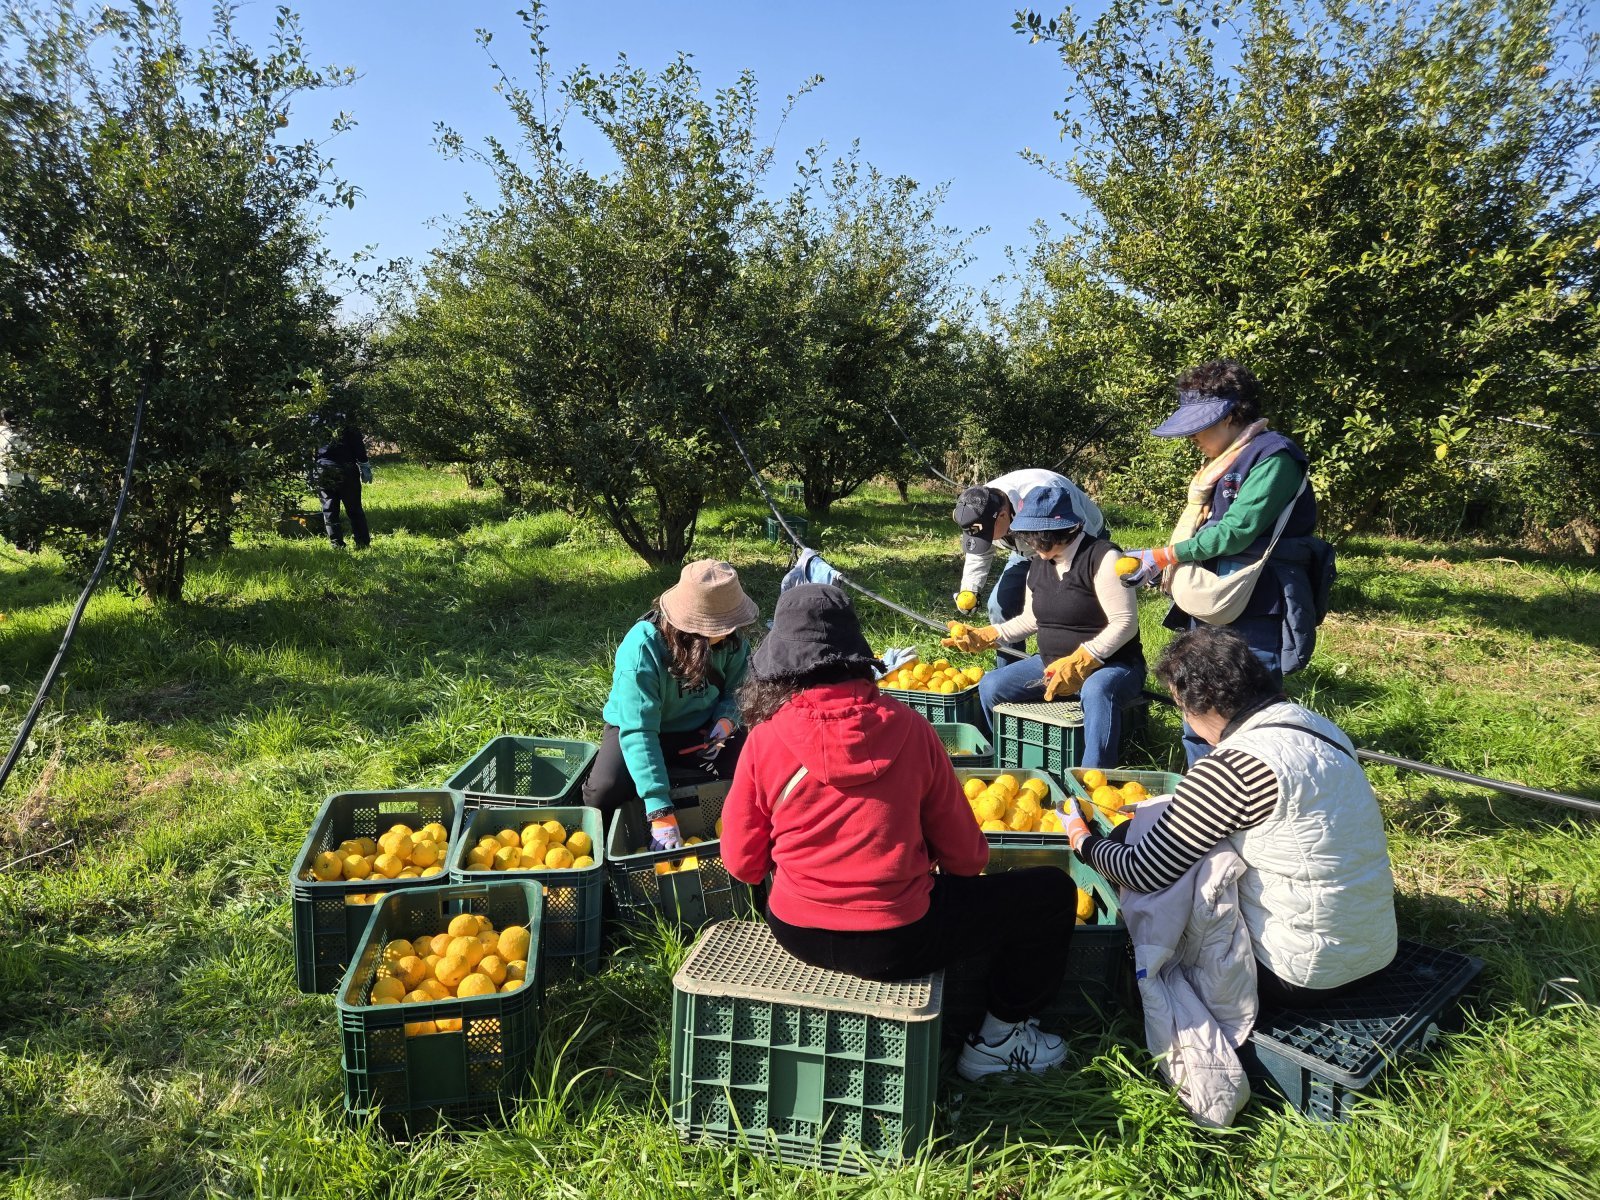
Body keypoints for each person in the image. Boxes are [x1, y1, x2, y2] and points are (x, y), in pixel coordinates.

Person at [721, 583, 1077, 1081]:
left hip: (795, 931)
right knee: (1052, 893)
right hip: (898, 941)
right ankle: (998, 1038)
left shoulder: (763, 740)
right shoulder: (912, 729)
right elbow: (967, 861)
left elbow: (741, 863)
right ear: (858, 658)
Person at [1061, 625, 1397, 1009]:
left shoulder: (1234, 764)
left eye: (1182, 707)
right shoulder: (1316, 726)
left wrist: (1082, 839)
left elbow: (1143, 872)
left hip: (1300, 972)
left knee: (1129, 844)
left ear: (1202, 704)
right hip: (1374, 948)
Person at [1120, 361, 1328, 765]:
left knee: (1247, 706)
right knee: (1198, 697)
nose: (1195, 437)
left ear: (1232, 416)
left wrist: (1165, 555)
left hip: (1257, 600)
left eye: (1201, 426)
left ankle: (1254, 799)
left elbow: (1238, 530)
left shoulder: (1274, 457)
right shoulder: (1222, 463)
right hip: (1213, 598)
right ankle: (1203, 795)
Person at [944, 486, 1144, 762]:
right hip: (1050, 664)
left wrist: (1086, 657)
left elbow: (1125, 623)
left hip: (1112, 665)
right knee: (991, 685)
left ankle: (1093, 778)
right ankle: (1005, 757)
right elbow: (1032, 619)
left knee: (1096, 690)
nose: (1035, 547)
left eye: (1040, 540)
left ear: (1063, 532)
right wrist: (990, 634)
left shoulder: (1103, 557)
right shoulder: (1039, 563)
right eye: (1030, 539)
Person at [582, 560, 757, 850]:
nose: (730, 630)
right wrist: (660, 811)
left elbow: (739, 691)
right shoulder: (643, 648)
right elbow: (639, 730)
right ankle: (605, 856)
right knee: (605, 791)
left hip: (701, 728)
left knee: (749, 771)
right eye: (723, 625)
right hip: (642, 729)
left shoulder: (732, 643)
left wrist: (726, 721)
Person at [951, 468, 1106, 649]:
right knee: (999, 607)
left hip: (1078, 540)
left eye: (987, 535)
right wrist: (970, 589)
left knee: (1073, 608)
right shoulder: (978, 505)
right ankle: (1012, 672)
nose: (987, 540)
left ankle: (1084, 663)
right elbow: (979, 552)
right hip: (1027, 550)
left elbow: (1078, 534)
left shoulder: (1045, 495)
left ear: (1002, 515)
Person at [310, 409, 372, 550]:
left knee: (329, 510)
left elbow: (308, 446)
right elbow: (357, 443)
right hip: (346, 468)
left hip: (323, 468)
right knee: (354, 508)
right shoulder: (346, 416)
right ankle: (362, 544)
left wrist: (310, 471)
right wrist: (364, 464)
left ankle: (337, 545)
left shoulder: (314, 416)